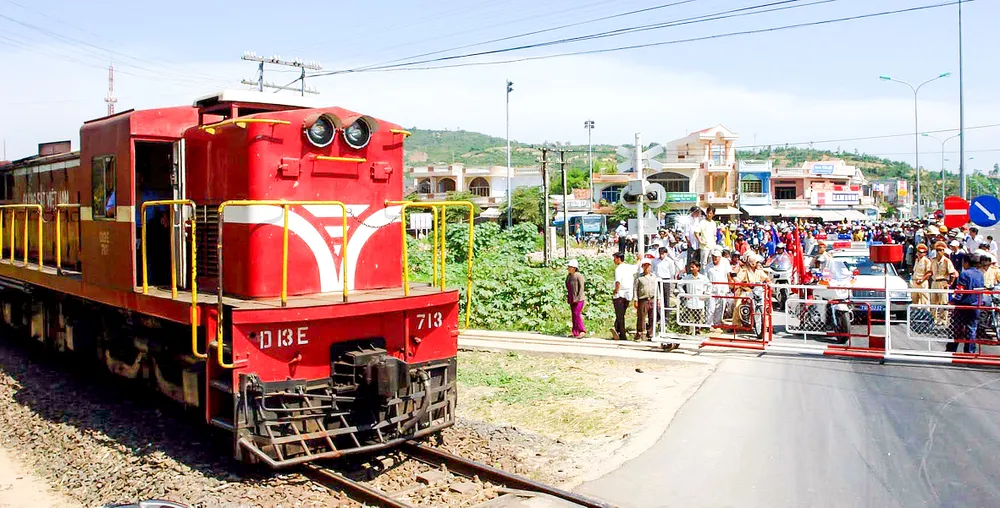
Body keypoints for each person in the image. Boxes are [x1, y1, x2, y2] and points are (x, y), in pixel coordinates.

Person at [949, 254, 985, 354]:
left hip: (964, 306)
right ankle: (970, 352)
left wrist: (953, 302)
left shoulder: (965, 274)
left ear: (966, 263)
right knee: (972, 329)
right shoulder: (980, 274)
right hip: (976, 305)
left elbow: (960, 291)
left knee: (957, 329)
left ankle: (951, 350)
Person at [730, 253, 768, 330]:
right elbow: (738, 279)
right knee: (738, 304)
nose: (758, 264)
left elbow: (767, 279)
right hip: (747, 291)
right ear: (752, 263)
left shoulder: (759, 271)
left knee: (767, 306)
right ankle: (735, 325)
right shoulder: (745, 270)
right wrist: (742, 283)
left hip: (758, 292)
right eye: (757, 262)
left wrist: (769, 284)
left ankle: (766, 325)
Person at [930, 241, 958, 326]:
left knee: (943, 302)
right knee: (933, 302)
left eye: (940, 250)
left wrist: (950, 283)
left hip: (943, 281)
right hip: (935, 282)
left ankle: (943, 319)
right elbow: (931, 271)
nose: (938, 252)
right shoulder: (933, 260)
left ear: (943, 251)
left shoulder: (947, 261)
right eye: (937, 250)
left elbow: (953, 274)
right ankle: (933, 318)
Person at [633, 258, 658, 340]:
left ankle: (650, 334)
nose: (647, 267)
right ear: (642, 267)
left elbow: (657, 288)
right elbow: (635, 289)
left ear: (650, 266)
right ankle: (639, 334)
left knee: (652, 317)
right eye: (645, 266)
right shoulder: (639, 277)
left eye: (648, 266)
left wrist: (659, 299)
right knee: (641, 318)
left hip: (652, 299)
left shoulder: (654, 277)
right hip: (643, 299)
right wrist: (635, 299)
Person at [706, 248, 730, 332]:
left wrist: (728, 288)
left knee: (720, 308)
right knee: (710, 308)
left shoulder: (724, 265)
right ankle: (709, 325)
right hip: (712, 290)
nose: (714, 258)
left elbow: (728, 275)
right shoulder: (708, 267)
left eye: (716, 257)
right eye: (713, 257)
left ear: (720, 257)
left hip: (722, 289)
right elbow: (706, 278)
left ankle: (717, 324)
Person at [611, 252, 633, 340]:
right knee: (621, 314)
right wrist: (639, 258)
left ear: (618, 259)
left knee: (620, 316)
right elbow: (637, 266)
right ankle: (617, 330)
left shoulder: (618, 269)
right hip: (628, 295)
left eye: (614, 258)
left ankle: (622, 335)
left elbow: (618, 282)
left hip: (620, 294)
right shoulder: (629, 267)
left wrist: (615, 291)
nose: (614, 260)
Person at [565, 259, 586, 338]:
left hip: (579, 299)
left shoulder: (578, 275)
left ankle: (582, 330)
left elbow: (581, 288)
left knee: (577, 314)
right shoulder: (569, 276)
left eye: (570, 267)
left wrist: (578, 297)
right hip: (572, 298)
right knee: (573, 315)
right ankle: (575, 332)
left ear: (574, 268)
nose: (569, 268)